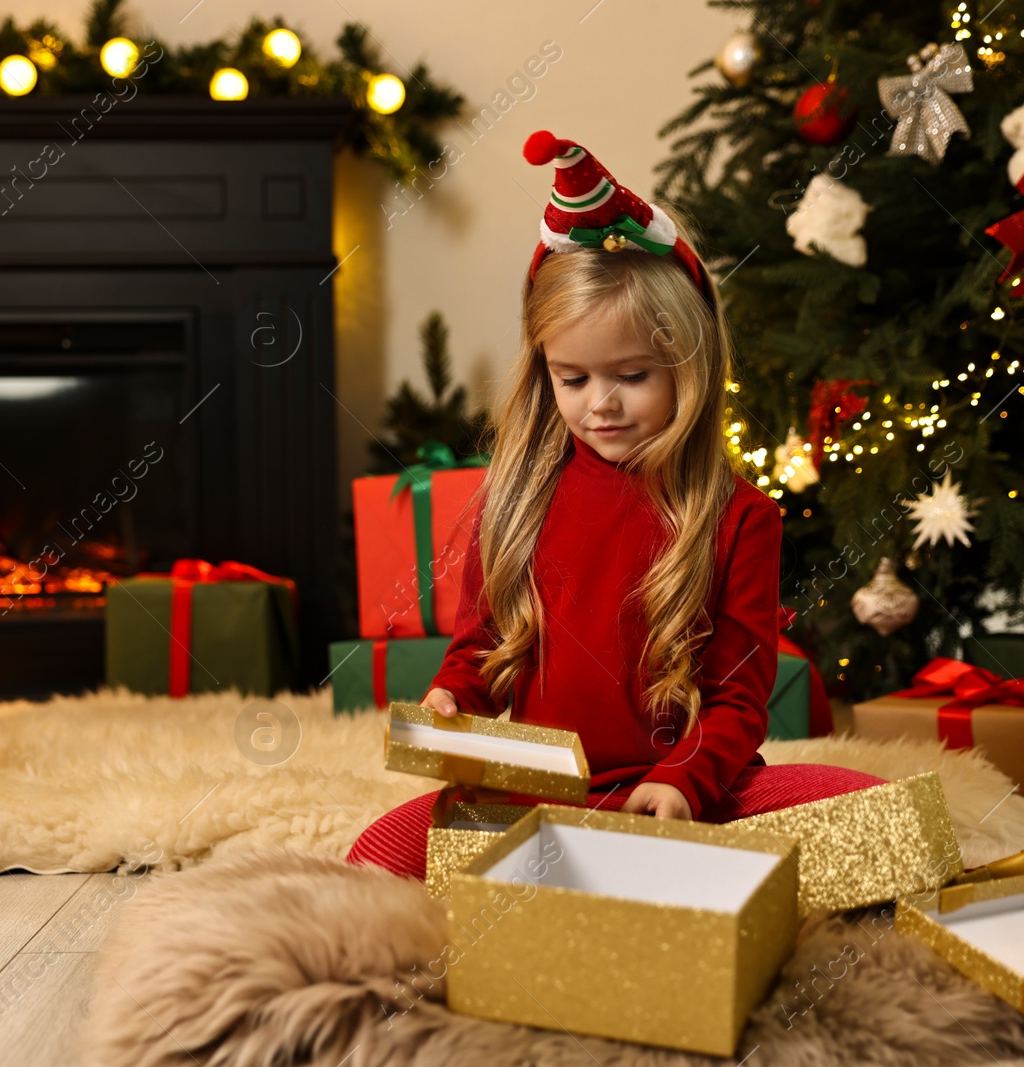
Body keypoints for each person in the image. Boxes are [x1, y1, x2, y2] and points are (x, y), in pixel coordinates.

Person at [346, 130, 883, 880]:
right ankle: (617, 867)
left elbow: (738, 700)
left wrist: (681, 779)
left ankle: (662, 860)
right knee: (376, 854)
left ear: (688, 365)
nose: (601, 405)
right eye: (572, 379)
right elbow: (481, 651)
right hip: (539, 788)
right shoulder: (517, 499)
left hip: (681, 787)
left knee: (875, 817)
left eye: (632, 375)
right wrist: (449, 700)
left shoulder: (739, 517)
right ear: (545, 375)